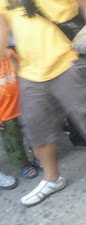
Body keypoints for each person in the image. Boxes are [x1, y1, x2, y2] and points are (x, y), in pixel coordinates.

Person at [0, 0, 86, 206]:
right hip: (30, 72)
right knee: (37, 127)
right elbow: (2, 31)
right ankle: (52, 179)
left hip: (68, 60)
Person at [0, 40, 38, 181]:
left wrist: (10, 57)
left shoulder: (9, 53)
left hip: (23, 105)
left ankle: (38, 157)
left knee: (34, 134)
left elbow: (22, 72)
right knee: (13, 141)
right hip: (4, 114)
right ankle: (23, 164)